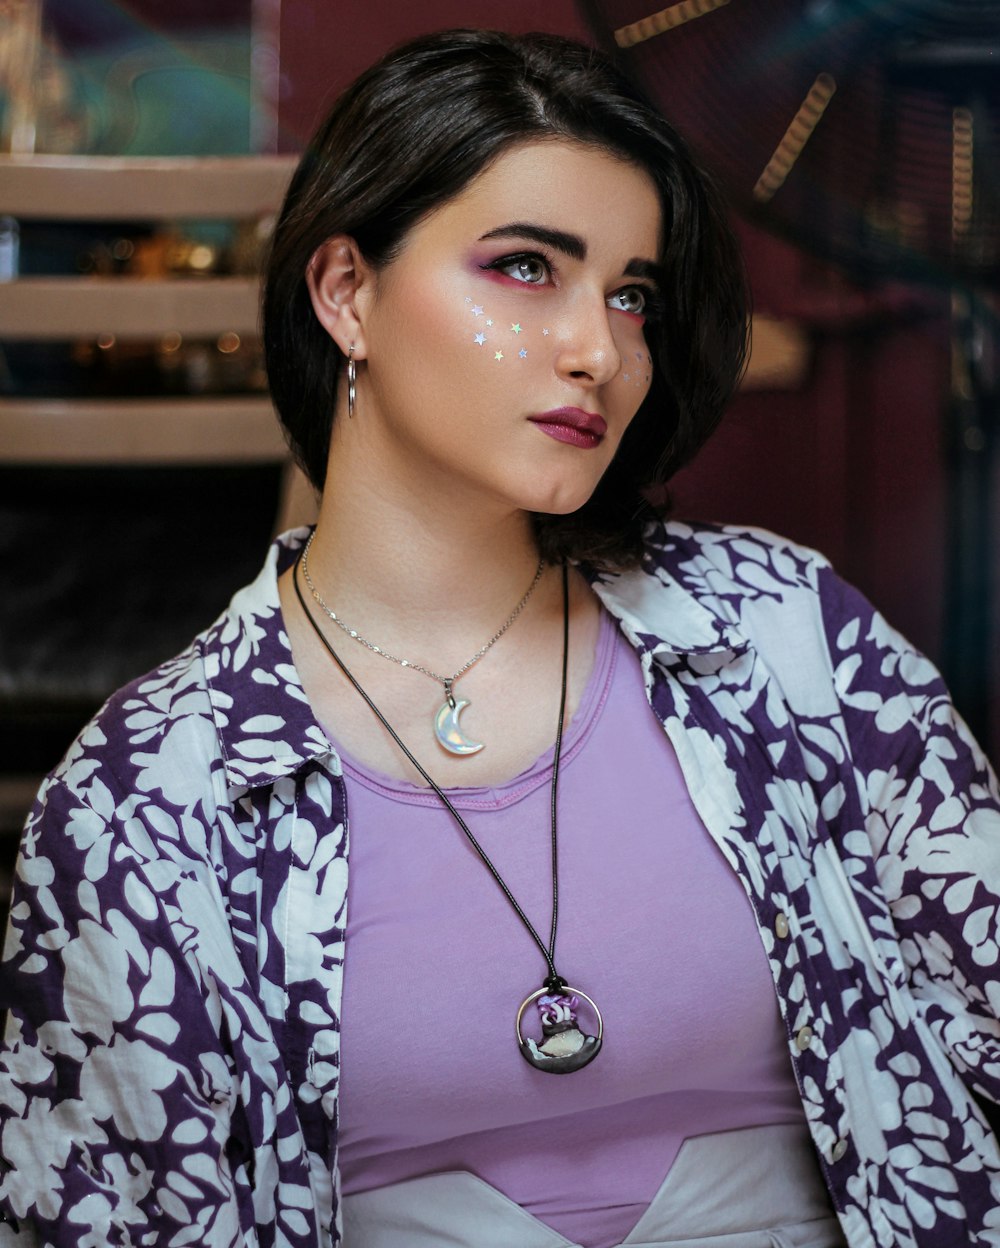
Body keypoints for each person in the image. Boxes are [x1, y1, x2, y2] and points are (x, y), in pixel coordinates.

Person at [2, 26, 999, 1248]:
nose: (600, 350)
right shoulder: (145, 799)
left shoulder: (792, 645)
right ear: (345, 292)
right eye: (527, 267)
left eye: (631, 293)